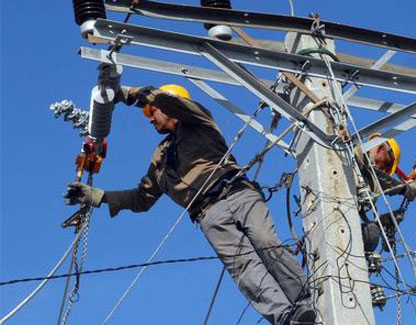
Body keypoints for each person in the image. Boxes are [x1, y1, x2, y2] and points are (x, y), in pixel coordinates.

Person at [64, 84, 315, 325]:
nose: (150, 119)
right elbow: (142, 198)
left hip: (238, 194)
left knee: (266, 243)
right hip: (209, 215)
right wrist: (97, 196)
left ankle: (305, 301)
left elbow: (165, 100)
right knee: (244, 267)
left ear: (167, 107)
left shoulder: (198, 121)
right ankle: (285, 317)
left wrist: (127, 93)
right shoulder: (160, 157)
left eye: (151, 112)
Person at [353, 134, 416, 253]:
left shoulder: (369, 182)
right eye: (387, 164)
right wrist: (403, 189)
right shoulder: (355, 153)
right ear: (380, 148)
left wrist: (382, 223)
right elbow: (377, 174)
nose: (385, 170)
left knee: (371, 233)